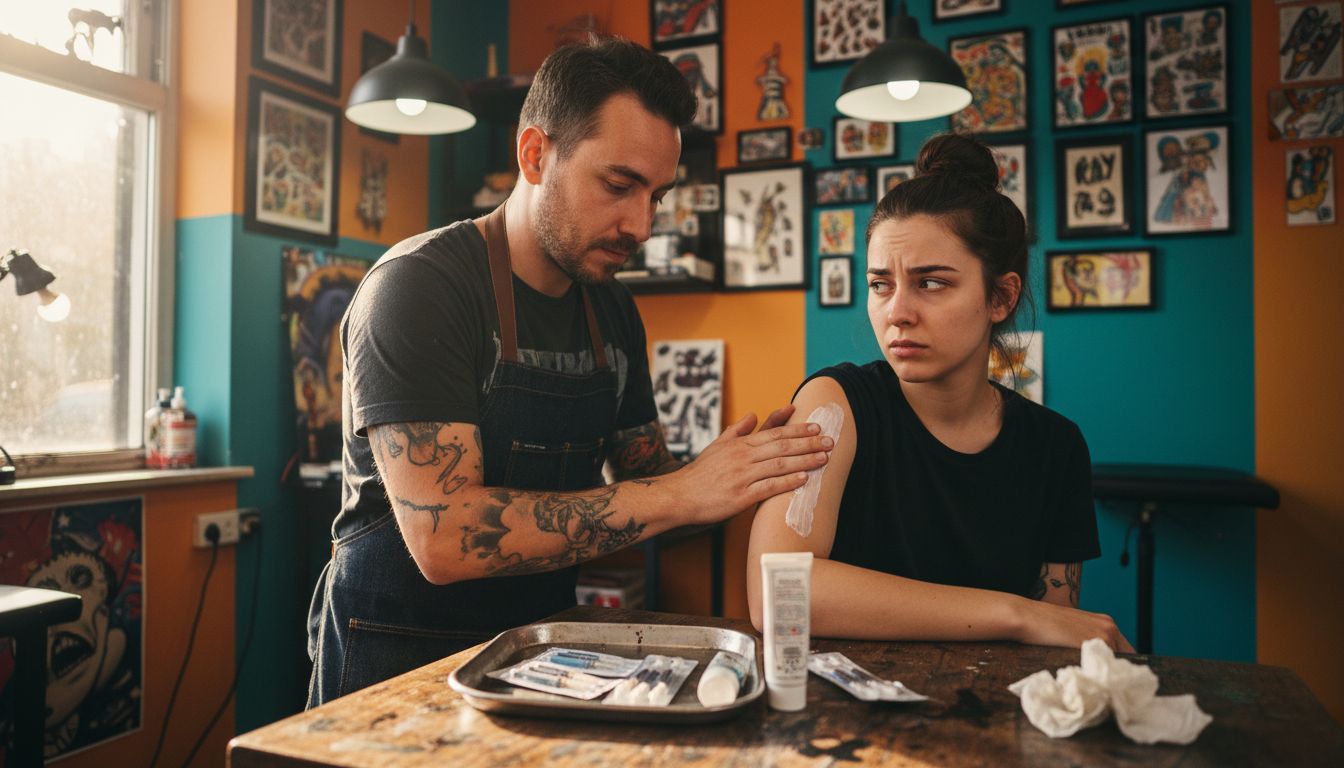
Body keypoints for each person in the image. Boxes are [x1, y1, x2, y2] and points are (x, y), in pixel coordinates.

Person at [306, 38, 831, 706]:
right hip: (398, 654)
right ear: (534, 155)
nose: (639, 224)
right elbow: (444, 538)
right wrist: (683, 494)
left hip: (537, 653)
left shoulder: (611, 309)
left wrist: (744, 473)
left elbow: (646, 480)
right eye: (618, 186)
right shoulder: (420, 287)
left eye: (657, 197)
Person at [746, 133, 1132, 653]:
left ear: (1001, 296)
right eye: (881, 284)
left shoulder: (1055, 447)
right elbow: (778, 593)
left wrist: (1031, 621)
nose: (896, 312)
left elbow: (1055, 634)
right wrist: (1012, 612)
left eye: (931, 283)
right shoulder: (836, 405)